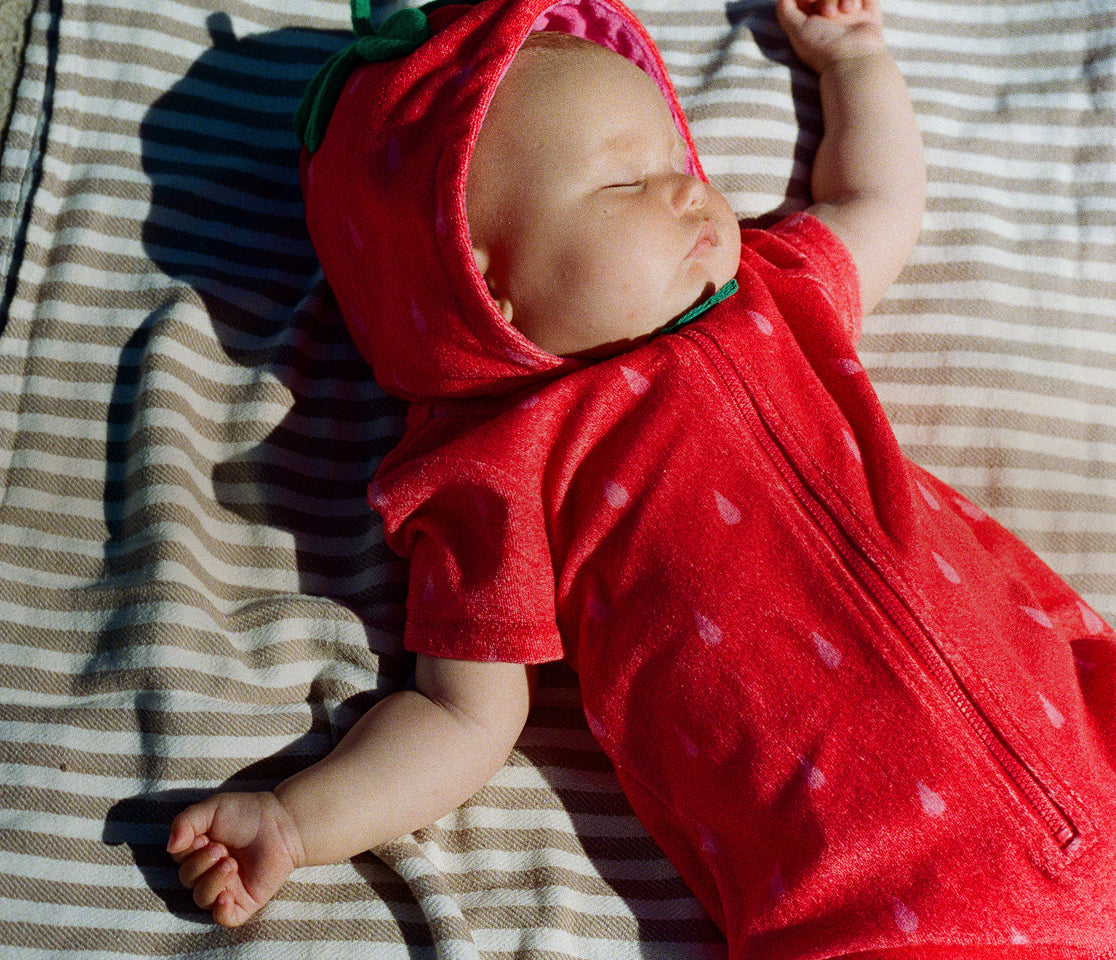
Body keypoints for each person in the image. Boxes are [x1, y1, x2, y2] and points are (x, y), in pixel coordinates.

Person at [169, 0, 1116, 953]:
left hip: (1084, 717)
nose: (689, 192)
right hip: (877, 898)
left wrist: (854, 62)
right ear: (483, 282)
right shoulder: (501, 469)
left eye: (678, 155)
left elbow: (878, 204)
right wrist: (297, 822)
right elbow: (459, 716)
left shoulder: (777, 294)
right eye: (629, 179)